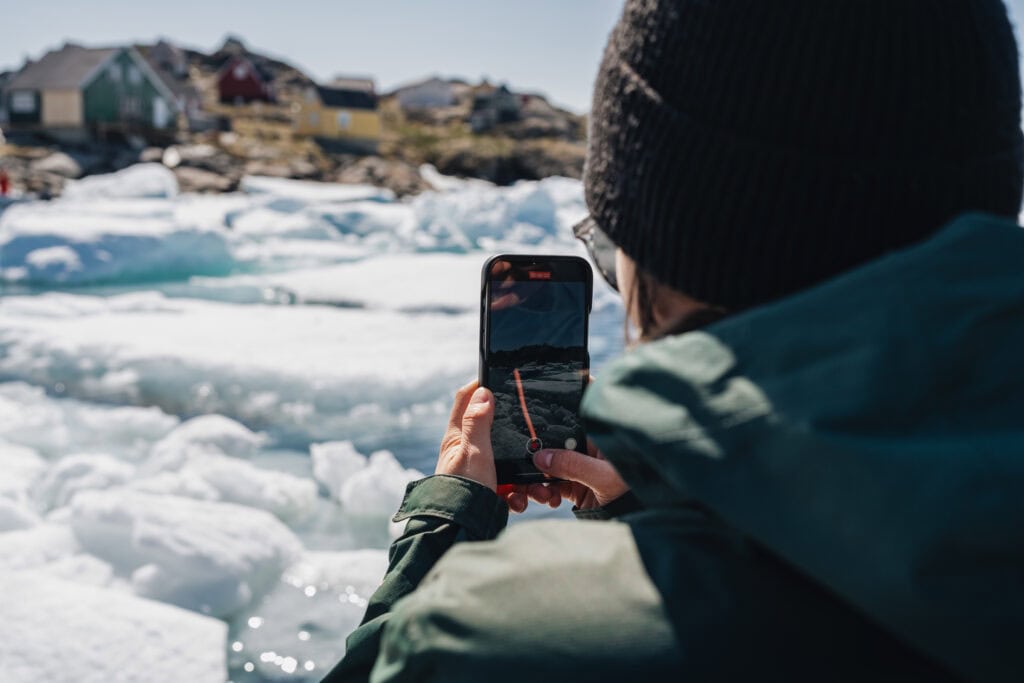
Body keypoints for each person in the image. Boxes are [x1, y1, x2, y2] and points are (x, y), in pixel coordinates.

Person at [324, 1, 1024, 680]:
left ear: (682, 253)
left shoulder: (493, 640)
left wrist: (443, 535)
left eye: (612, 250)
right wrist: (655, 515)